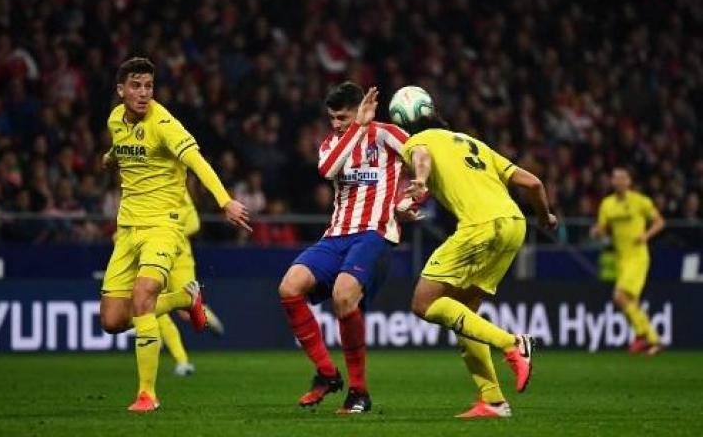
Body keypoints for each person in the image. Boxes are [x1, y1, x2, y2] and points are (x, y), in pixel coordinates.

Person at [100, 57, 250, 412]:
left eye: (148, 86)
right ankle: (185, 298)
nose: (143, 93)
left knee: (143, 296)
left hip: (165, 227)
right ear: (121, 90)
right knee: (112, 321)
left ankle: (147, 394)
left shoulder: (165, 123)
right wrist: (110, 158)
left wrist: (225, 201)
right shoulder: (114, 120)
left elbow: (198, 162)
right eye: (135, 86)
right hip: (127, 230)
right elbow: (121, 148)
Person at [396, 95, 557, 419]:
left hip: (480, 226)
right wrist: (545, 217)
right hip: (514, 225)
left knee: (423, 303)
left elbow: (423, 156)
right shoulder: (473, 143)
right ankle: (494, 400)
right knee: (465, 315)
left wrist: (421, 181)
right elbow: (534, 183)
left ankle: (512, 343)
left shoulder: (418, 141)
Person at [277, 82, 413, 414]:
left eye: (342, 117)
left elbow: (424, 159)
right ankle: (326, 373)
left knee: (343, 296)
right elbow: (327, 170)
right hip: (335, 235)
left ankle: (359, 393)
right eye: (332, 118)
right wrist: (356, 127)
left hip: (373, 233)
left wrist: (413, 196)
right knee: (289, 287)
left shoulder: (387, 134)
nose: (335, 124)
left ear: (359, 108)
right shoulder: (331, 144)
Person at [590, 167, 665, 355]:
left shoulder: (640, 201)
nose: (618, 181)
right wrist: (597, 232)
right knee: (631, 302)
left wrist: (646, 236)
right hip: (620, 259)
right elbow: (603, 228)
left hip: (638, 256)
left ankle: (643, 335)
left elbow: (660, 222)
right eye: (615, 178)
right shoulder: (607, 204)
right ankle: (652, 340)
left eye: (622, 177)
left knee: (619, 296)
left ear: (629, 181)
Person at [159, 189, 226, 377]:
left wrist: (170, 232)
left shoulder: (178, 190)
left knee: (186, 310)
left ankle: (206, 315)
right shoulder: (145, 186)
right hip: (156, 256)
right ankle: (182, 361)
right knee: (155, 309)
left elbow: (194, 223)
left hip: (180, 259)